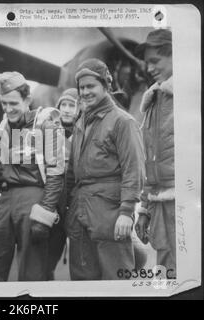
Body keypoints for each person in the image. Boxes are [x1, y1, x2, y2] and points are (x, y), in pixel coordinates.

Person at [0, 71, 65, 281]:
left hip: (33, 197)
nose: (8, 109)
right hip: (6, 199)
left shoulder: (46, 123)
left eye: (13, 103)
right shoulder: (3, 126)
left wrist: (45, 212)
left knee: (32, 267)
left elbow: (56, 173)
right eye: (4, 103)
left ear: (27, 100)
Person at [66, 59, 145, 280]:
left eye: (91, 86)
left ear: (106, 86)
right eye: (82, 87)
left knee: (117, 281)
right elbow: (74, 170)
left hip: (109, 215)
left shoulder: (123, 122)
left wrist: (126, 213)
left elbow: (134, 170)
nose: (85, 92)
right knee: (82, 283)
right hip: (80, 212)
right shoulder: (81, 121)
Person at [134, 29, 175, 278]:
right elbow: (150, 162)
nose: (148, 69)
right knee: (165, 279)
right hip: (159, 208)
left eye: (155, 61)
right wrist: (144, 210)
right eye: (147, 62)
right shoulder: (153, 101)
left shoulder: (191, 97)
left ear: (175, 56)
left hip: (186, 210)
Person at [47, 88, 79, 280]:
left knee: (83, 264)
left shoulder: (87, 133)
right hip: (55, 207)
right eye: (63, 105)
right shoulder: (48, 132)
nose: (67, 110)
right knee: (46, 261)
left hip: (78, 205)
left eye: (72, 105)